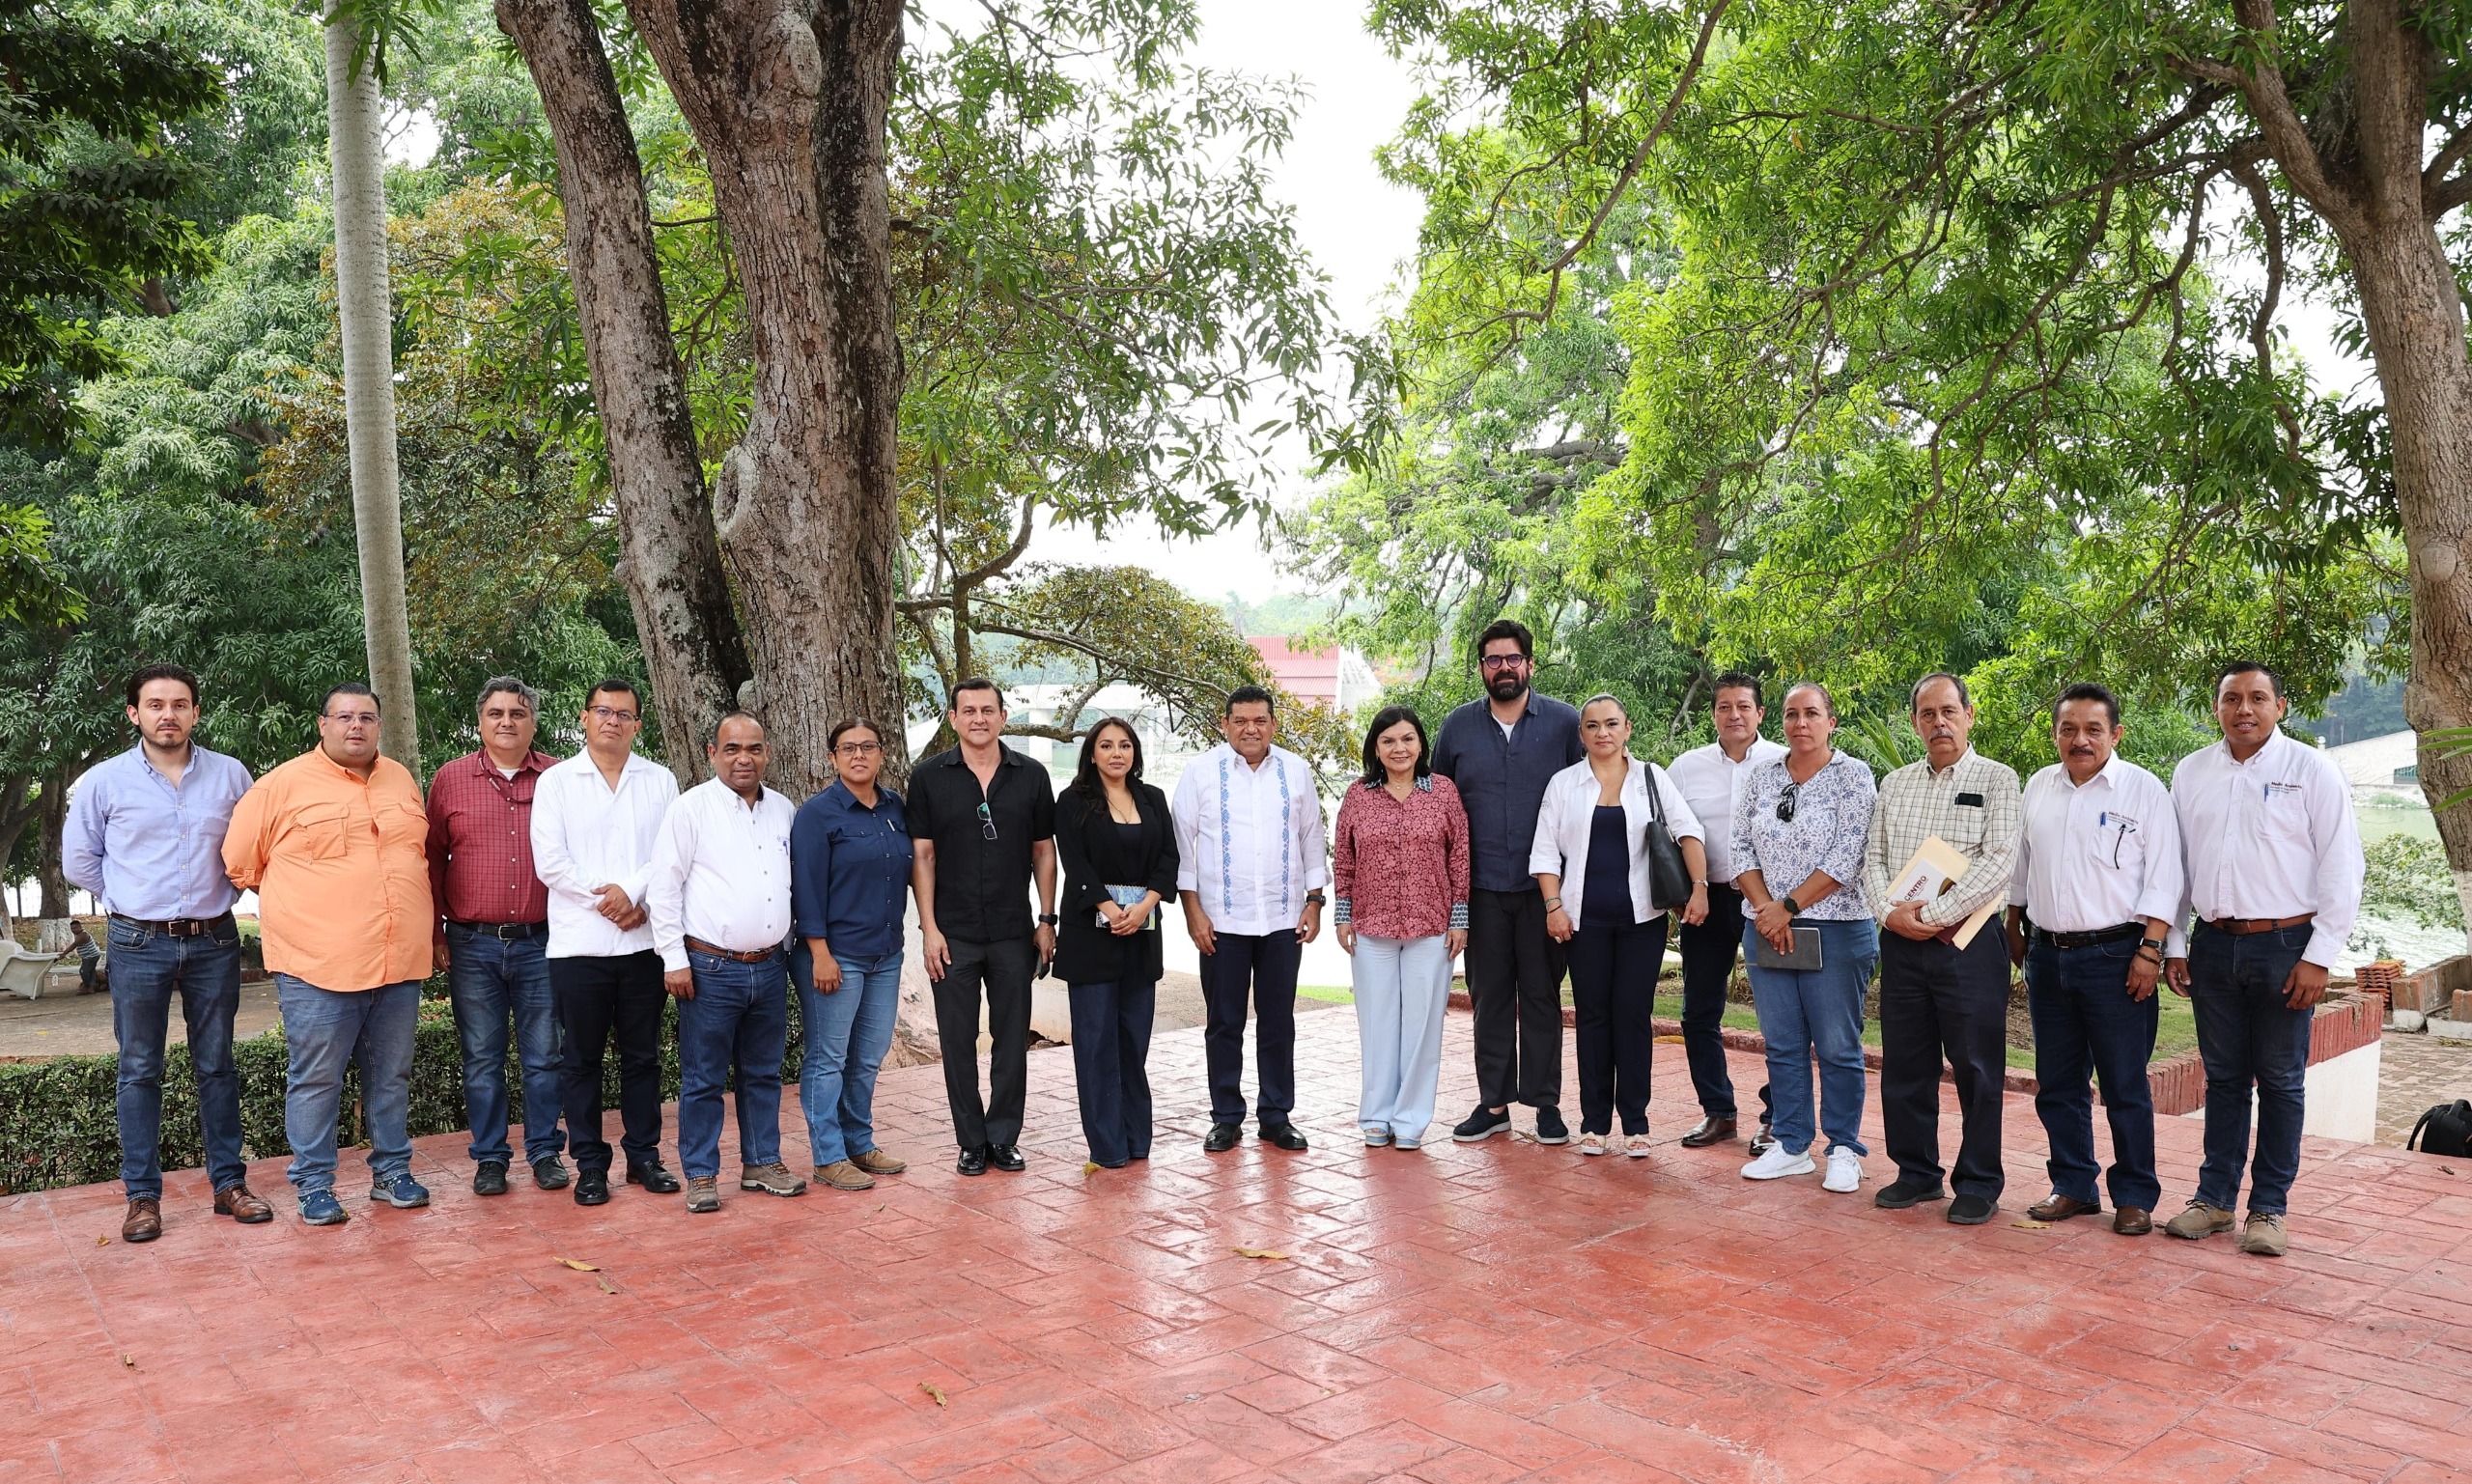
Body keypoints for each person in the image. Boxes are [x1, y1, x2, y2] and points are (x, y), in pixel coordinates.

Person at [2162, 661, 2364, 1258]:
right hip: (2213, 945)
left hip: (2285, 947)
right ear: (2216, 707)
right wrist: (2175, 943)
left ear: (2280, 706)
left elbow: (2342, 866)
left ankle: (2269, 1208)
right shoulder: (2191, 772)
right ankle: (2214, 1200)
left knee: (2279, 1081)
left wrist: (2319, 956)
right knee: (2223, 1078)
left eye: (2256, 698)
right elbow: (2176, 868)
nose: (2243, 709)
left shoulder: (2312, 770)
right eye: (2231, 699)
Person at [63, 662, 267, 1243]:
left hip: (214, 939)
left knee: (218, 1064)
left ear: (196, 712)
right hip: (137, 941)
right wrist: (130, 899)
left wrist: (226, 895)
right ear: (134, 713)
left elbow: (251, 847)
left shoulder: (231, 775)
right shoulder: (104, 781)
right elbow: (79, 861)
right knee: (138, 1068)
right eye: (155, 705)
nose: (168, 715)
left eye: (179, 704)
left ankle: (229, 1186)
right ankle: (142, 1198)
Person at [222, 683, 434, 1226]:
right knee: (317, 1079)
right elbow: (241, 863)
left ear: (379, 725)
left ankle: (392, 1173)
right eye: (343, 717)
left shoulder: (401, 780)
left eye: (366, 717)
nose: (355, 726)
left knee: (392, 1075)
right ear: (323, 725)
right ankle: (314, 1185)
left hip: (397, 961)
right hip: (317, 965)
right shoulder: (280, 786)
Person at [2003, 683, 2184, 1238]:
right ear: (2055, 733)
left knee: (2124, 1085)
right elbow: (2020, 865)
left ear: (2115, 734)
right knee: (2058, 1082)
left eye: (2093, 730)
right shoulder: (2039, 786)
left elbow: (2166, 876)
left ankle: (2134, 1195)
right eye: (2069, 729)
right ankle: (2074, 1185)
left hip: (2118, 956)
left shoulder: (2143, 790)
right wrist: (2013, 926)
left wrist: (2151, 950)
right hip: (2047, 954)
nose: (2079, 740)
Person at [1862, 672, 2024, 1225]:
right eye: (1928, 714)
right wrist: (1890, 915)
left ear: (1969, 716)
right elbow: (1873, 860)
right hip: (1902, 944)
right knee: (1906, 1061)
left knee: (1977, 1065)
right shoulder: (1895, 784)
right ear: (1915, 723)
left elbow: (1998, 862)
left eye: (1949, 711)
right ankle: (1916, 1172)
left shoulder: (1998, 780)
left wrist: (1929, 918)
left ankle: (1978, 1181)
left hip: (1968, 944)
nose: (1939, 723)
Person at [1531, 694, 1710, 1157]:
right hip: (1583, 922)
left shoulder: (1651, 778)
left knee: (1632, 1017)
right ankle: (1594, 1123)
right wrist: (1553, 906)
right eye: (1592, 725)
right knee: (1592, 1017)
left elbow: (1689, 831)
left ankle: (1636, 1123)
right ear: (1581, 734)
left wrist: (1700, 887)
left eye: (1611, 724)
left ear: (1627, 728)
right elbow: (1546, 852)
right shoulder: (1563, 784)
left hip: (1641, 921)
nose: (1603, 732)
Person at [1430, 619, 1586, 1145]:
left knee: (1541, 997)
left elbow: (1585, 795)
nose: (1503, 668)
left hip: (1545, 891)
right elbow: (1439, 806)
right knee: (1490, 998)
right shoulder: (1458, 727)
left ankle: (1546, 1105)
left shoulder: (1565, 724)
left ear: (1530, 665)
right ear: (1481, 668)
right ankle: (1493, 1104)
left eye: (1512, 659)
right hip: (1481, 891)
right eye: (1493, 660)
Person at [647, 712, 806, 1213]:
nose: (744, 758)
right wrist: (673, 959)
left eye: (754, 748)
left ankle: (762, 1162)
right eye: (732, 748)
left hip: (770, 966)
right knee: (703, 1078)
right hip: (710, 969)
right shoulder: (690, 809)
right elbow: (664, 888)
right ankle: (701, 1173)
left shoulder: (783, 810)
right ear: (712, 754)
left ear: (767, 754)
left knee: (764, 1073)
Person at [530, 679, 682, 1206]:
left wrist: (633, 894)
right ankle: (591, 1165)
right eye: (602, 711)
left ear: (637, 724)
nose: (612, 721)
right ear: (584, 718)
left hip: (642, 942)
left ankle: (644, 1156)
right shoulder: (556, 782)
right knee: (581, 1061)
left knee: (643, 1057)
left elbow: (670, 854)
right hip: (578, 947)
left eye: (623, 714)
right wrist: (611, 899)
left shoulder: (660, 780)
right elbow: (551, 862)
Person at [908, 679, 1058, 1176]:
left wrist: (1046, 919)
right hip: (952, 934)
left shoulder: (1031, 775)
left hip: (1015, 931)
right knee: (957, 1041)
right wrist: (929, 929)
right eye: (968, 710)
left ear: (1002, 717)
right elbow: (923, 855)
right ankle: (971, 1141)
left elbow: (1044, 851)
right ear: (953, 718)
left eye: (988, 710)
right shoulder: (928, 777)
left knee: (1011, 1039)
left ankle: (1003, 1136)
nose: (979, 718)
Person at [1733, 684, 1880, 1193]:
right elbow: (1740, 848)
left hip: (1835, 928)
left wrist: (1788, 908)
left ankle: (1843, 1147)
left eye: (1812, 713)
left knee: (1837, 1045)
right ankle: (1792, 1143)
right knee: (1783, 1044)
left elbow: (1849, 855)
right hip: (1766, 929)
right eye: (1792, 714)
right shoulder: (1763, 776)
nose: (1801, 723)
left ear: (1830, 722)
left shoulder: (1853, 775)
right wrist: (1767, 912)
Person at [425, 677, 566, 1198]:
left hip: (542, 942)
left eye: (518, 713)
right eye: (496, 713)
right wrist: (435, 933)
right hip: (472, 944)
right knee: (482, 1058)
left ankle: (546, 1152)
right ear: (481, 720)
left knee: (545, 1056)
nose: (507, 721)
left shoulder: (559, 777)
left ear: (533, 722)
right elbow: (431, 859)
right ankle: (490, 1158)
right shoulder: (451, 779)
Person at [1173, 686, 1329, 1154]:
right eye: (1240, 720)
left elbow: (1312, 838)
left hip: (1283, 920)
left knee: (1278, 1021)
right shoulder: (1201, 772)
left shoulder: (1296, 771)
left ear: (1273, 724)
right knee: (1224, 1022)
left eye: (1260, 720)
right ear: (1224, 724)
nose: (1250, 729)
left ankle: (1276, 1116)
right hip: (1221, 922)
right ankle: (1226, 1117)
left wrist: (1314, 901)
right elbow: (1181, 845)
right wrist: (1193, 911)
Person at [1333, 707, 1469, 1152]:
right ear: (1376, 748)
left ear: (1421, 744)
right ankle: (1376, 1116)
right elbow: (1344, 858)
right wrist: (1343, 914)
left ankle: (1410, 1120)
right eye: (1388, 740)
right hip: (1371, 927)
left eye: (1408, 739)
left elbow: (1459, 857)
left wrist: (1459, 919)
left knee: (1422, 1027)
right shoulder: (1358, 795)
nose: (1399, 748)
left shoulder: (1443, 792)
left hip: (1432, 927)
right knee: (1377, 1024)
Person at [789, 718, 915, 1192]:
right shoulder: (817, 814)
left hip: (886, 954)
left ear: (882, 753)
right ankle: (828, 1155)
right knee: (829, 1056)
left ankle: (859, 1142)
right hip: (835, 955)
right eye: (848, 748)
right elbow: (805, 888)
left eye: (868, 747)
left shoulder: (895, 807)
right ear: (833, 757)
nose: (858, 755)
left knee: (868, 1055)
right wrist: (819, 952)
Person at [1667, 672, 1787, 1151]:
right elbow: (1664, 832)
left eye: (1743, 706)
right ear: (1713, 713)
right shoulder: (1685, 768)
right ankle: (1718, 1111)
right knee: (1698, 1012)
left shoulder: (1786, 762)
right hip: (1708, 901)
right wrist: (1681, 892)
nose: (1734, 715)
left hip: (1771, 904)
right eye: (1724, 707)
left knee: (1781, 1014)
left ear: (1760, 713)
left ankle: (1777, 1116)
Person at [1052, 718, 1179, 1168]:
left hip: (1141, 932)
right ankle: (1107, 1146)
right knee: (1095, 1042)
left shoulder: (1153, 798)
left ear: (1135, 753)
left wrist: (1144, 907)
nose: (1116, 753)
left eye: (1125, 745)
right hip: (1091, 936)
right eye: (1106, 746)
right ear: (1092, 754)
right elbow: (1075, 864)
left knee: (1133, 1040)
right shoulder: (1072, 801)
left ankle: (1136, 1138)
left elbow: (1169, 858)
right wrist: (1109, 909)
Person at [70, 920, 101, 992]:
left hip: (91, 956)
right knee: (91, 971)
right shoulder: (78, 935)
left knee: (83, 971)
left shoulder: (83, 935)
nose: (73, 930)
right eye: (72, 928)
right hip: (88, 956)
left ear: (80, 927)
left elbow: (74, 945)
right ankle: (91, 987)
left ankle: (87, 985)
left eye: (75, 928)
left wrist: (63, 954)